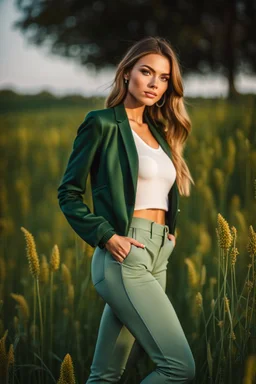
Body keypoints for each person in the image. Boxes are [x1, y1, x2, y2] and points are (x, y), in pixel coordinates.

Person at [57, 36, 196, 383]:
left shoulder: (160, 131)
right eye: (146, 72)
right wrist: (106, 236)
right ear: (126, 74)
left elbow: (161, 194)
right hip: (124, 254)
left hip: (158, 254)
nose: (154, 83)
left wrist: (168, 236)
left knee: (104, 375)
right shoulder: (101, 123)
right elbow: (69, 193)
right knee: (179, 368)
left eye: (163, 77)